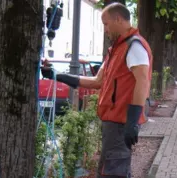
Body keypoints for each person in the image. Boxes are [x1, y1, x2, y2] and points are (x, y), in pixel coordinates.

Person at [41, 2, 153, 178]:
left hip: (121, 123)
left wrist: (132, 121)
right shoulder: (116, 49)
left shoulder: (134, 46)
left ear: (118, 19)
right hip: (113, 123)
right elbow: (97, 81)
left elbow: (143, 81)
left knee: (113, 173)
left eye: (106, 24)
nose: (105, 29)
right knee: (112, 170)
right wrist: (57, 75)